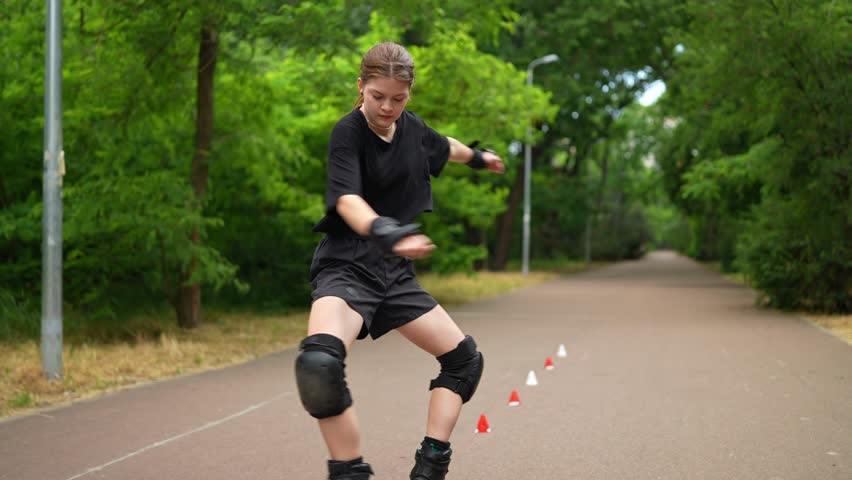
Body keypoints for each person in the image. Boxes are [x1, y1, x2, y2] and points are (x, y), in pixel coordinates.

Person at [294, 41, 505, 480]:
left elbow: (444, 146)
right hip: (348, 263)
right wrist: (385, 230)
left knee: (465, 360)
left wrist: (479, 158)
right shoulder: (348, 133)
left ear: (409, 93)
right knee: (320, 365)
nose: (387, 107)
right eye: (377, 97)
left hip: (395, 275)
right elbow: (347, 199)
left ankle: (430, 464)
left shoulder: (413, 128)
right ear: (361, 87)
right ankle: (350, 472)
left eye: (398, 98)